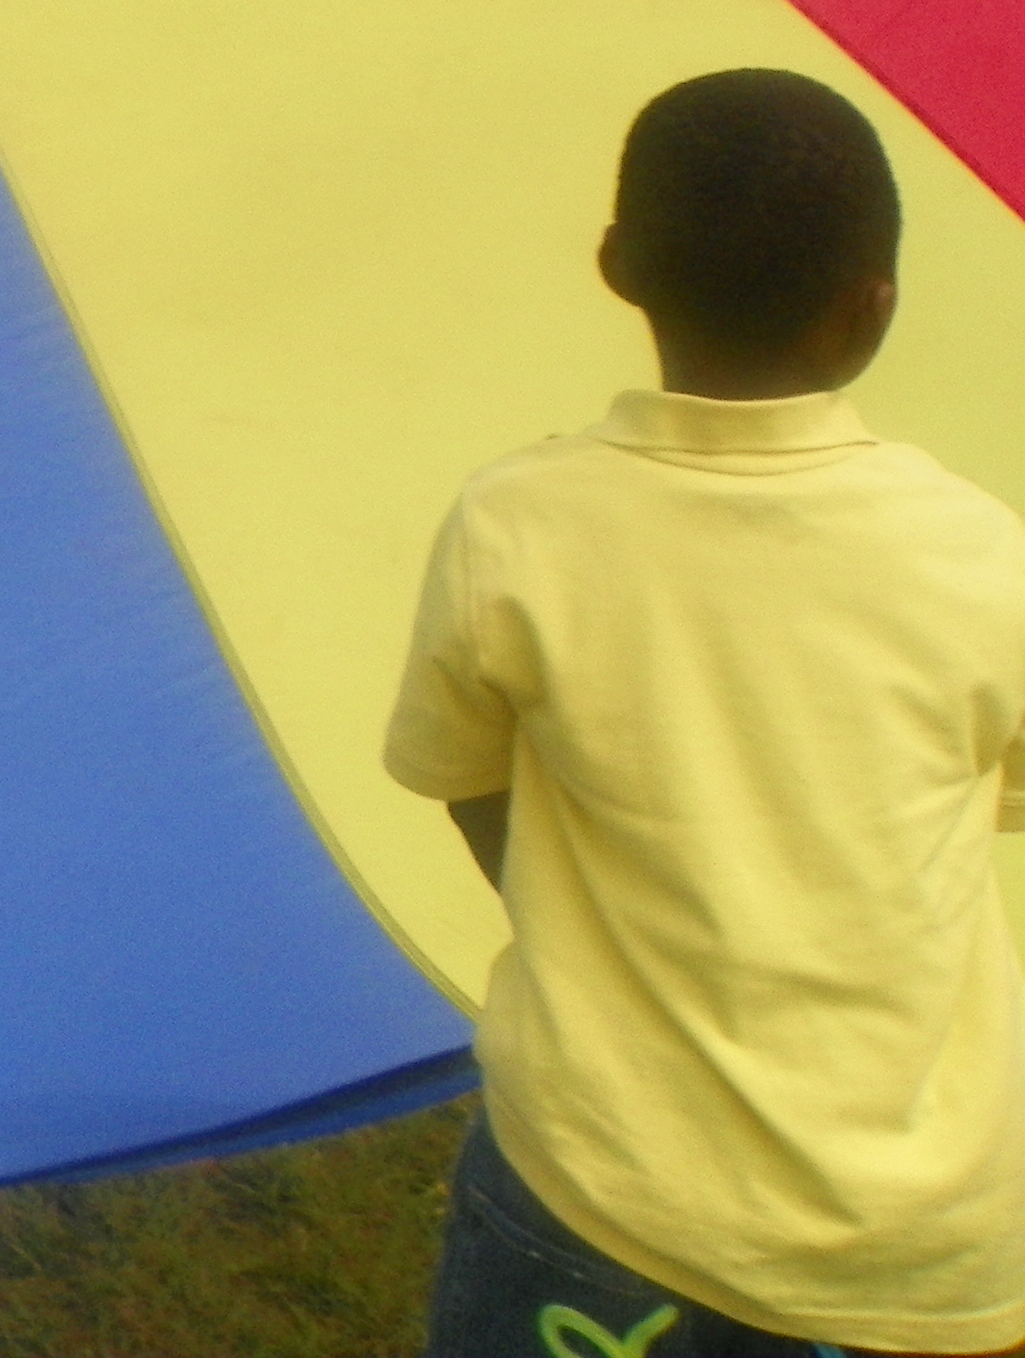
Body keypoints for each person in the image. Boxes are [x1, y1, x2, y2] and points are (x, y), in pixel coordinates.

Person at [390, 70, 1025, 1358]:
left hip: (597, 1206)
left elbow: (463, 773)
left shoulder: (516, 527)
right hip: (925, 1254)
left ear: (619, 264)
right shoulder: (978, 558)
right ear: (873, 307)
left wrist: (603, 945)